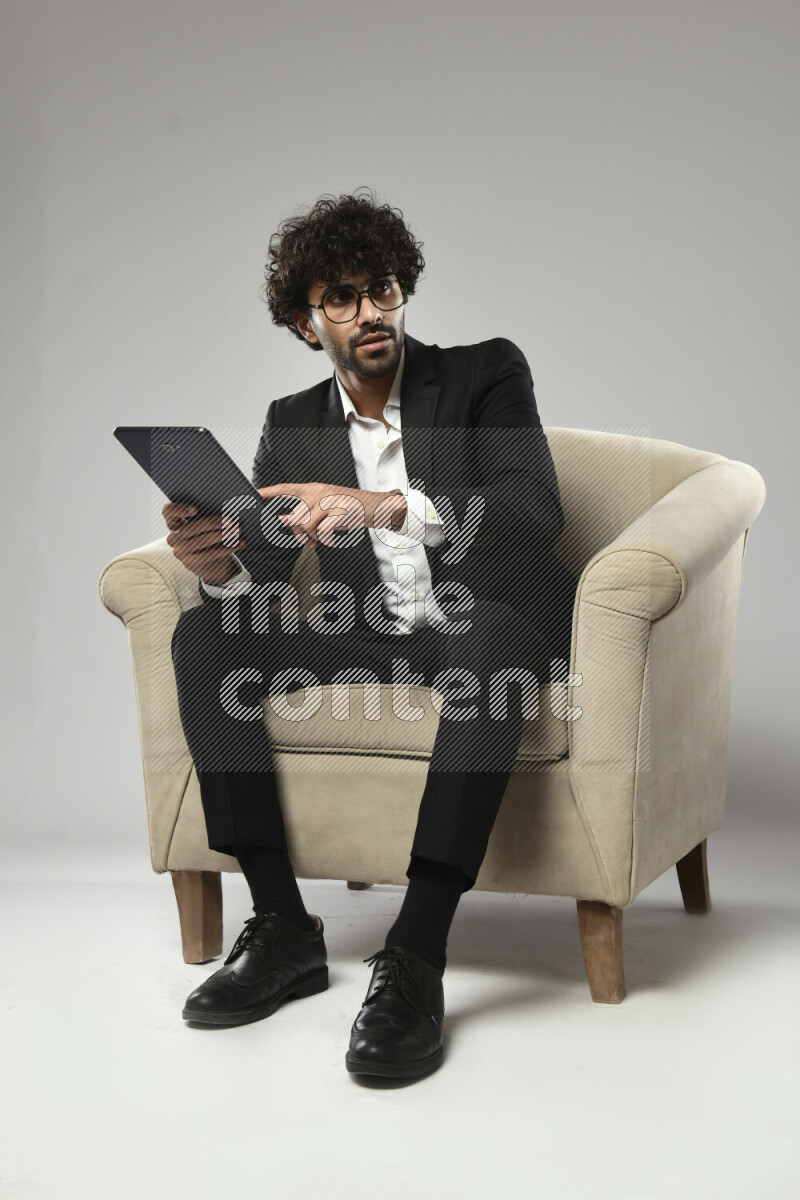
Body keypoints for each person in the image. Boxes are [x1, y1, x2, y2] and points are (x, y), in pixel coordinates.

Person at [164, 188, 578, 1081]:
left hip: (491, 628)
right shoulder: (293, 423)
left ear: (403, 291)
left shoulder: (484, 375)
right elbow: (268, 579)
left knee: (488, 643)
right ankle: (281, 926)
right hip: (378, 639)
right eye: (341, 299)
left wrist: (385, 506)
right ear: (307, 323)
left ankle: (416, 952)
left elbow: (533, 512)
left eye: (381, 289)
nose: (369, 313)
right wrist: (218, 568)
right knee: (209, 640)